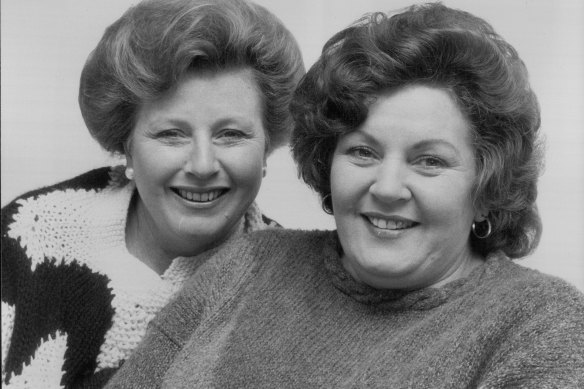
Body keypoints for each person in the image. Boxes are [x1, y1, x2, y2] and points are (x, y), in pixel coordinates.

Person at [105, 3, 584, 388]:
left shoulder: (539, 324)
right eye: (362, 151)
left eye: (430, 161)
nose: (388, 187)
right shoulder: (248, 264)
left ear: (487, 187)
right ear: (326, 161)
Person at [0, 0, 304, 387]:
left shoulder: (291, 290)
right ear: (127, 148)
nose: (202, 165)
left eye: (231, 134)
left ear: (267, 147)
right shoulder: (26, 241)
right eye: (171, 134)